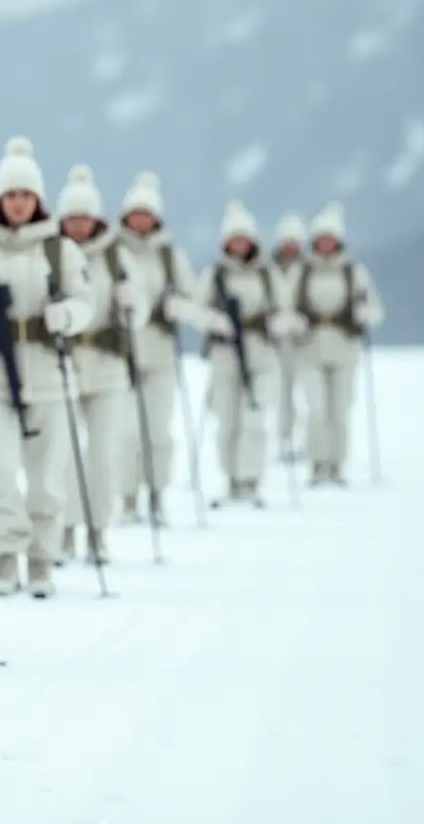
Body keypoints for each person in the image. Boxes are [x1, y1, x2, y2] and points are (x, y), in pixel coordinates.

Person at [0, 137, 96, 598]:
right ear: (0, 199)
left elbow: (86, 302)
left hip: (49, 376)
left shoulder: (61, 251)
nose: (18, 203)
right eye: (10, 195)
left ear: (37, 199)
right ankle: (4, 557)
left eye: (26, 195)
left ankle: (41, 558)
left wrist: (69, 316)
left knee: (45, 476)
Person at [55, 165, 147, 563]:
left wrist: (132, 302)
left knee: (102, 453)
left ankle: (98, 530)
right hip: (64, 365)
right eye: (72, 217)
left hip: (108, 367)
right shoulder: (53, 251)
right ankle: (65, 527)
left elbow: (139, 310)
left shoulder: (116, 256)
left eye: (84, 217)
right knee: (65, 451)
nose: (78, 225)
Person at [115, 172, 211, 525]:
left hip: (160, 354)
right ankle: (126, 497)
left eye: (147, 213)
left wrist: (178, 308)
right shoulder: (114, 251)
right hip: (122, 353)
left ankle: (156, 493)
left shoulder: (171, 257)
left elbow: (194, 300)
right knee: (125, 432)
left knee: (158, 431)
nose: (141, 219)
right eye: (135, 213)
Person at [196, 201, 294, 506]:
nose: (238, 244)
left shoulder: (268, 274)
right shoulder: (215, 274)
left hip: (262, 355)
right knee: (227, 421)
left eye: (243, 238)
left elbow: (287, 308)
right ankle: (231, 478)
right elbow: (197, 308)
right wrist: (214, 321)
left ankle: (251, 479)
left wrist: (279, 323)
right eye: (233, 238)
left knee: (253, 419)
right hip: (226, 357)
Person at [294, 202, 384, 485]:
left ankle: (336, 465)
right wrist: (291, 322)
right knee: (317, 410)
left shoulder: (355, 273)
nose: (325, 243)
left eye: (330, 238)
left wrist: (365, 314)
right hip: (310, 350)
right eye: (321, 238)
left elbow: (376, 308)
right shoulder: (302, 272)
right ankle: (317, 464)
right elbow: (285, 306)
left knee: (340, 411)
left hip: (345, 349)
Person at [272, 213, 308, 459]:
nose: (290, 246)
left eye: (294, 241)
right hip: (276, 342)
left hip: (306, 343)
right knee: (281, 393)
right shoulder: (268, 268)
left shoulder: (309, 268)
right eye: (287, 241)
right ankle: (284, 439)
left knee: (310, 395)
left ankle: (309, 442)